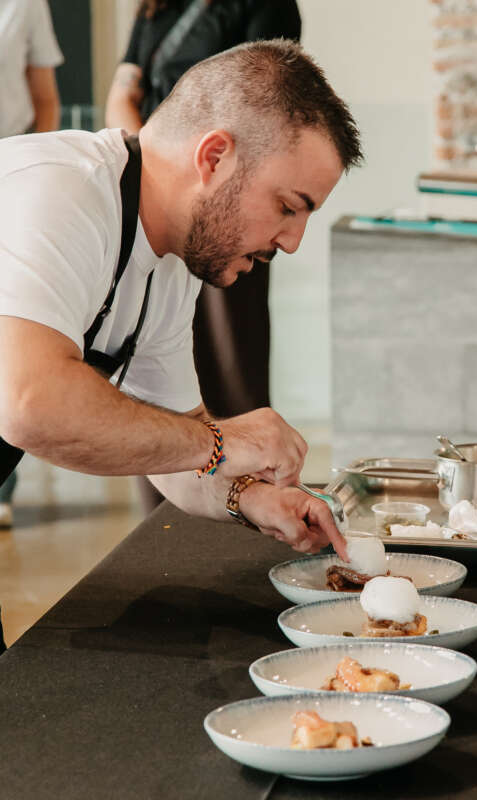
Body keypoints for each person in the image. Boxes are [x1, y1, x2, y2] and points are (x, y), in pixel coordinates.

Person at [0, 40, 361, 650]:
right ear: (215, 156)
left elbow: (174, 450)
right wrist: (227, 440)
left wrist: (254, 498)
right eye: (286, 206)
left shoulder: (167, 267)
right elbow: (29, 406)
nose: (293, 241)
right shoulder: (63, 193)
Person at [106, 0, 302, 515]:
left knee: (229, 371)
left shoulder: (265, 7)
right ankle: (164, 520)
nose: (295, 236)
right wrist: (155, 170)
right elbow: (122, 95)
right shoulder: (155, 8)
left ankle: (244, 499)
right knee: (152, 384)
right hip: (165, 198)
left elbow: (266, 124)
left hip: (224, 208)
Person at [0, 0, 63, 527]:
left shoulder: (26, 4)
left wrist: (31, 175)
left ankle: (4, 484)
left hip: (10, 182)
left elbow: (45, 99)